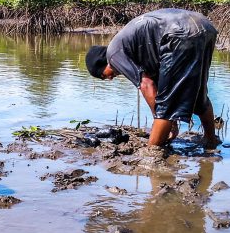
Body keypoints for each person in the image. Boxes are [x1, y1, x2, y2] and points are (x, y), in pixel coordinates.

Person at [85, 8, 220, 148]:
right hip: (204, 26)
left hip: (178, 32)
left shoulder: (113, 55)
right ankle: (210, 140)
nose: (110, 78)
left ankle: (153, 152)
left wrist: (165, 120)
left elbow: (146, 84)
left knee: (165, 107)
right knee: (199, 95)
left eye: (103, 76)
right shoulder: (129, 48)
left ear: (103, 64)